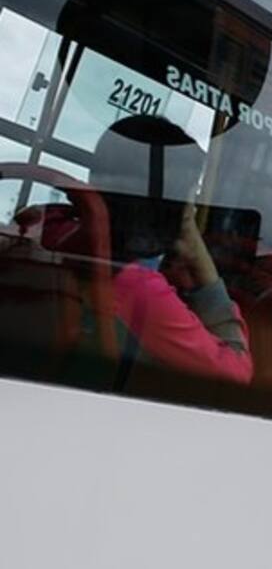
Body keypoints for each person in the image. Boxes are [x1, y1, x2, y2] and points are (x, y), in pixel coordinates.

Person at [91, 116, 252, 385]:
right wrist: (202, 263)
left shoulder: (53, 230)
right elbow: (235, 377)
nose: (193, 204)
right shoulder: (137, 287)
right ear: (170, 202)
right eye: (190, 192)